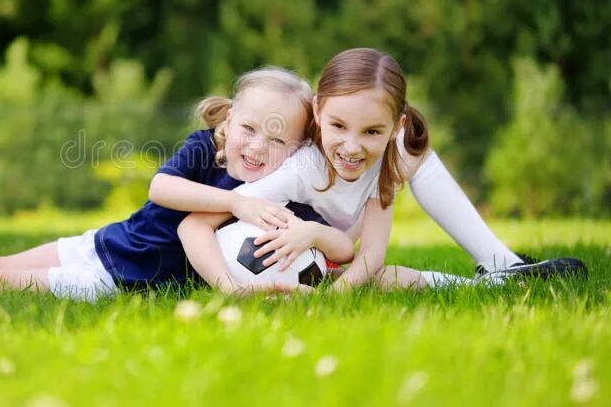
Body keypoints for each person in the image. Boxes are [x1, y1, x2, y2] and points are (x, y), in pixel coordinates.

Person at [0, 66, 350, 299]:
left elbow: (332, 244)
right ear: (228, 120)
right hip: (108, 242)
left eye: (277, 140)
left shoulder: (281, 189)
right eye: (249, 128)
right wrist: (237, 199)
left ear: (299, 146)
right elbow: (161, 191)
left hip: (127, 280)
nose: (256, 146)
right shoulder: (203, 146)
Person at [178, 48, 587, 292]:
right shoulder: (302, 167)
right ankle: (490, 277)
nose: (352, 147)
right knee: (383, 278)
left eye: (372, 130)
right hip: (324, 251)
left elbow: (371, 253)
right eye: (338, 126)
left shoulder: (390, 154)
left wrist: (331, 301)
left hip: (338, 244)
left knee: (408, 167)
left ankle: (499, 266)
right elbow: (198, 224)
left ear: (396, 124)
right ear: (318, 111)